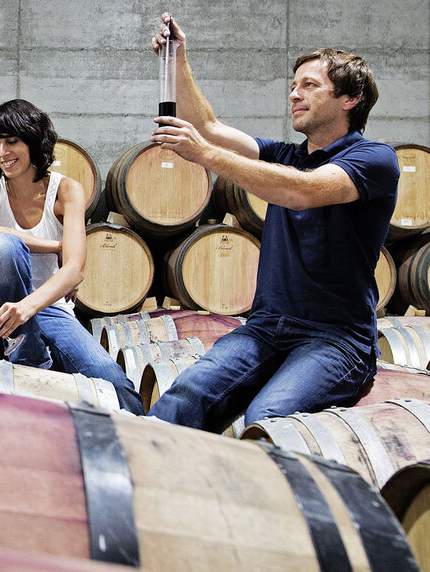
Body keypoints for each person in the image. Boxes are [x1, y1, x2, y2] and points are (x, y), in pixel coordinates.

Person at [146, 14, 400, 432]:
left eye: (309, 86)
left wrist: (207, 154)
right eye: (293, 85)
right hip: (266, 327)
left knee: (268, 418)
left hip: (335, 339)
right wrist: (178, 59)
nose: (294, 95)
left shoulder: (373, 159)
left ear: (350, 98)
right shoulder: (286, 154)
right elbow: (207, 126)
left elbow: (303, 191)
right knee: (184, 396)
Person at [0, 99, 144, 414]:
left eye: (12, 141)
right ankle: (30, 359)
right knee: (5, 245)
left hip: (45, 307)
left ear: (34, 141)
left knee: (112, 381)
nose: (2, 152)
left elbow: (74, 270)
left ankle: (145, 448)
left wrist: (27, 308)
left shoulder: (67, 190)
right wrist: (56, 246)